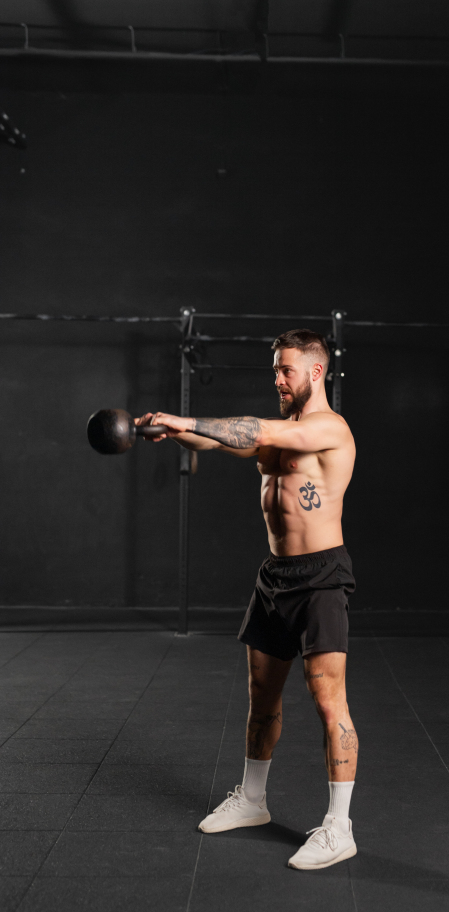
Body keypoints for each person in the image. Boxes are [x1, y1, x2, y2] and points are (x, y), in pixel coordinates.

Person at [135, 328, 357, 871]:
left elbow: (253, 428)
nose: (277, 378)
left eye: (286, 369)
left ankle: (339, 826)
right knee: (262, 700)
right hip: (276, 576)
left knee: (329, 703)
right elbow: (224, 439)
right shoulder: (280, 432)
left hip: (321, 576)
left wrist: (188, 419)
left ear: (316, 371)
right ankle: (253, 801)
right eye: (274, 370)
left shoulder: (329, 428)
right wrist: (173, 430)